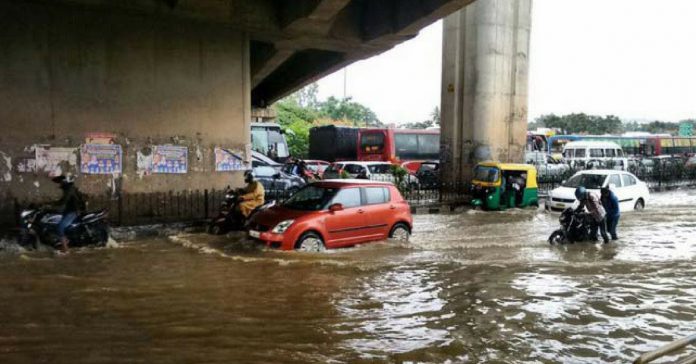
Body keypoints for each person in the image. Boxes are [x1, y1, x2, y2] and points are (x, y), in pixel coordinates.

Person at [51, 175, 84, 251]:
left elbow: (63, 201)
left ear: (65, 182)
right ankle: (65, 240)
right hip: (69, 211)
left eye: (61, 182)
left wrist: (52, 205)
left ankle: (65, 249)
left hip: (73, 212)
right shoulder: (69, 189)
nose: (60, 184)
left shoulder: (69, 189)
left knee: (59, 227)